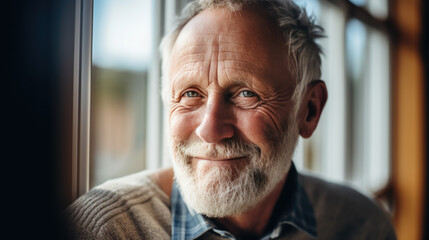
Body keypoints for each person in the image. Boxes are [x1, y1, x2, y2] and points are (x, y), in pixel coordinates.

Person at [67, 0, 396, 239]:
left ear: (308, 111)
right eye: (190, 94)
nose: (210, 130)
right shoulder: (103, 229)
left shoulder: (360, 224)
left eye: (246, 94)